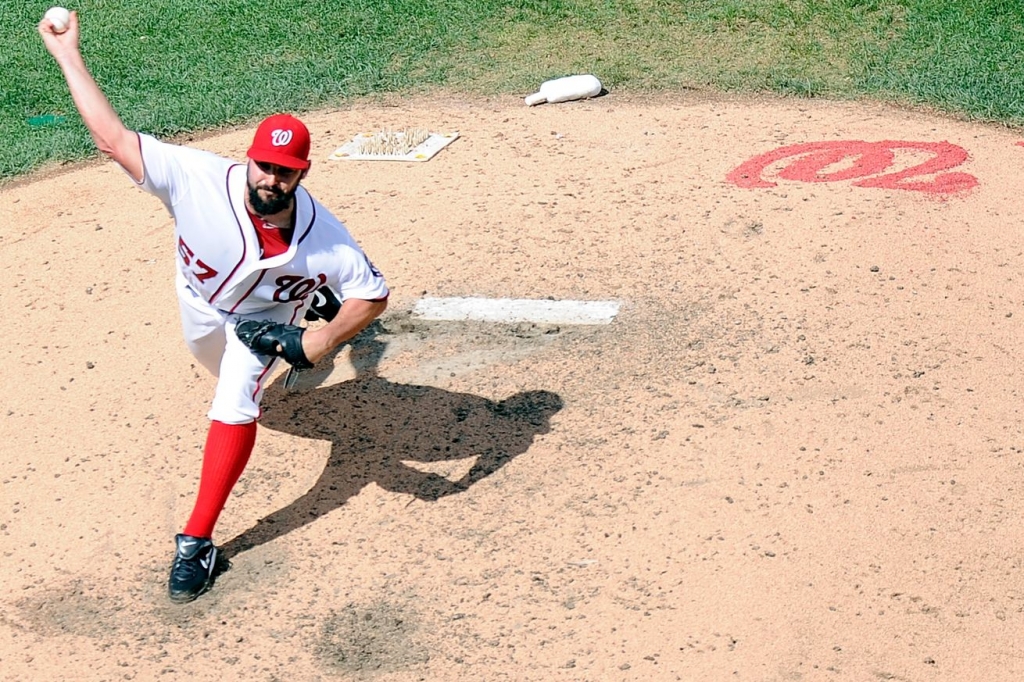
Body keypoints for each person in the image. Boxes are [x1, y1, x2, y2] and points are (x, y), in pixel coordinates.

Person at [39, 12, 389, 603]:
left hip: (262, 324)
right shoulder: (196, 177)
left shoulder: (327, 237)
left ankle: (197, 540)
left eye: (287, 171)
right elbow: (113, 141)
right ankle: (310, 299)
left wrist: (315, 343)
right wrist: (67, 55)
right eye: (265, 165)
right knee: (212, 361)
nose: (272, 179)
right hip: (198, 304)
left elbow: (375, 294)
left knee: (236, 400)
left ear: (303, 173)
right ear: (248, 159)